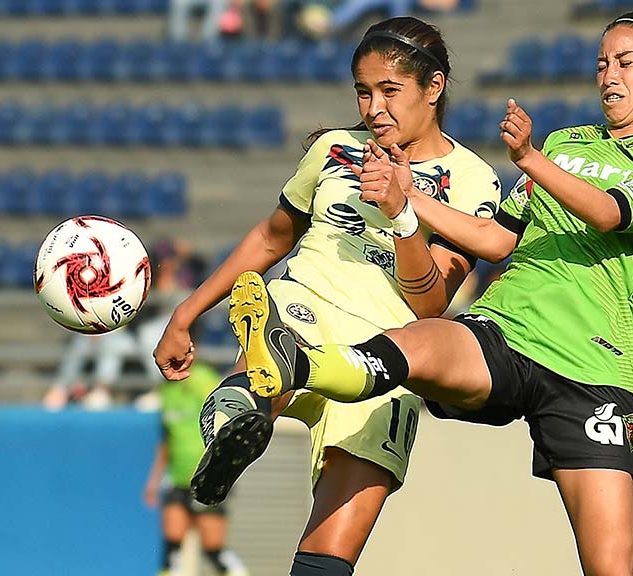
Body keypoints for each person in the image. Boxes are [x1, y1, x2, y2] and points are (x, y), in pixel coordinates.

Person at [228, 10, 633, 575]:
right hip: (507, 328)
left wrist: (530, 160)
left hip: (591, 369)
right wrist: (408, 200)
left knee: (611, 567)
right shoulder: (569, 142)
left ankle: (301, 365)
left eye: (624, 63)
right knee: (415, 343)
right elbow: (495, 239)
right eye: (601, 63)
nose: (608, 75)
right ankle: (298, 364)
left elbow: (608, 212)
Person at [154, 16, 501, 576]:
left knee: (327, 558)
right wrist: (186, 313)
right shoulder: (335, 150)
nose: (373, 109)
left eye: (390, 91)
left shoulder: (472, 179)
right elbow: (271, 238)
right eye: (363, 92)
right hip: (307, 303)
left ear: (433, 88)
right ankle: (235, 423)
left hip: (388, 355)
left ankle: (239, 414)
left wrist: (403, 212)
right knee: (267, 363)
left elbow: (431, 305)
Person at [144, 360, 249, 576]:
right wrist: (153, 482)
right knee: (171, 549)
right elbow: (167, 439)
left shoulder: (202, 379)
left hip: (206, 477)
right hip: (177, 479)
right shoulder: (165, 392)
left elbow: (225, 416)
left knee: (213, 550)